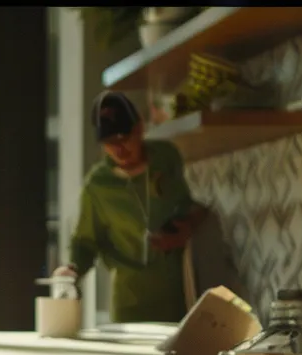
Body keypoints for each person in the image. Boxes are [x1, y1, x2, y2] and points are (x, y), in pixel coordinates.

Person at [55, 91, 217, 323]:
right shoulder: (98, 184)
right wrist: (72, 269)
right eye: (110, 143)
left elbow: (187, 205)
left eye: (124, 137)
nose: (120, 149)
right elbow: (85, 241)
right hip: (128, 298)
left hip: (178, 289)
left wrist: (184, 228)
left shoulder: (165, 157)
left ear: (139, 128)